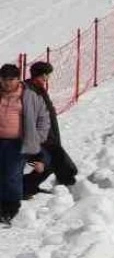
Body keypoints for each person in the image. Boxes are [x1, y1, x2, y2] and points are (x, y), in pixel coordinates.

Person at [0, 64, 50, 223]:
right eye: (4, 79)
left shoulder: (30, 96)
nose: (7, 83)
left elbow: (44, 118)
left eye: (11, 79)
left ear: (18, 79)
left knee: (11, 175)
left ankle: (9, 208)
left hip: (18, 142)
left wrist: (37, 137)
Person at [22, 61, 77, 198]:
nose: (47, 79)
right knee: (48, 162)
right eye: (45, 76)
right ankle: (24, 187)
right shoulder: (29, 91)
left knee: (58, 162)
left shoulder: (38, 89)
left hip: (48, 136)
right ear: (39, 75)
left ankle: (68, 185)